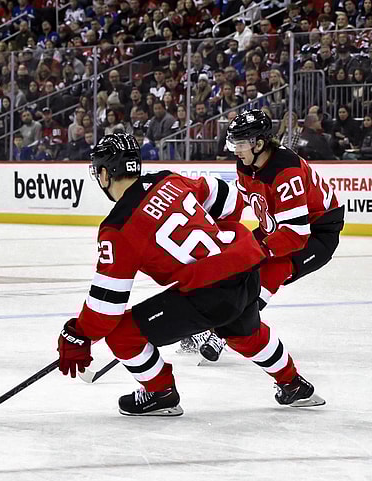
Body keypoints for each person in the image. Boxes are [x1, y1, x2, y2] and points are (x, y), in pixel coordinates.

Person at [56, 133, 325, 416]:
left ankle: (159, 393)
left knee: (123, 335)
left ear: (104, 173)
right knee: (245, 332)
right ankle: (294, 384)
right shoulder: (166, 179)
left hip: (209, 293)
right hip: (246, 270)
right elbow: (230, 202)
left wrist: (79, 334)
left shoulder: (117, 228)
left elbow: (106, 306)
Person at [189, 109, 345, 361]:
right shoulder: (246, 163)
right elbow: (244, 202)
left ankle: (224, 332)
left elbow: (295, 234)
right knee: (230, 260)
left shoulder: (286, 171)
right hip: (276, 225)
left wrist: (255, 252)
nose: (234, 149)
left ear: (258, 144)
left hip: (316, 233)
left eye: (239, 143)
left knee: (273, 269)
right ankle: (212, 319)